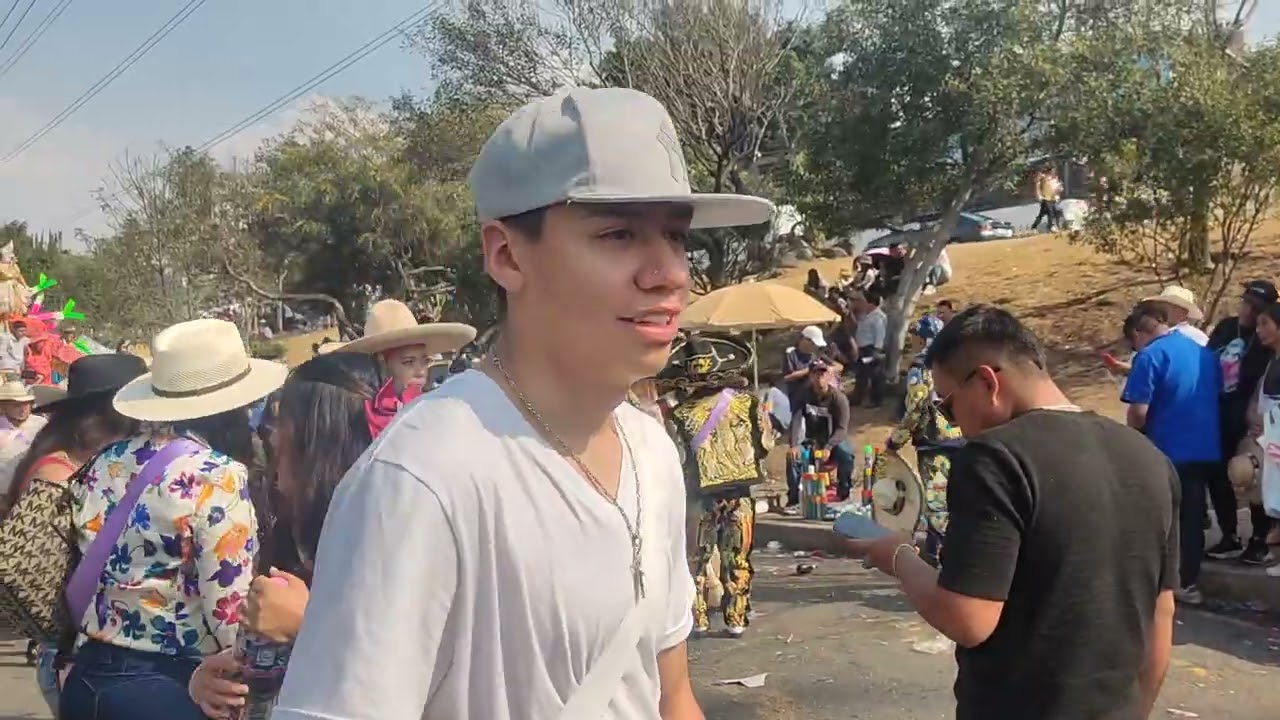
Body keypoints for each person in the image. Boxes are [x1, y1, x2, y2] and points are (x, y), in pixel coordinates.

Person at [270, 86, 772, 720]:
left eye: (675, 238)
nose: (668, 273)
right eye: (618, 234)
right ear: (507, 255)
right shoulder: (422, 481)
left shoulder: (650, 451)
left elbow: (669, 695)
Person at [845, 306, 1178, 720]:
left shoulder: (993, 458)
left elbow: (969, 618)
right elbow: (1161, 611)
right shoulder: (1148, 458)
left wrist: (896, 556)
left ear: (987, 382)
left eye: (948, 408)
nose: (955, 425)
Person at [60, 319, 287, 720]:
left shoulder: (108, 460)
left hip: (87, 679)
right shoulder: (218, 474)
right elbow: (228, 611)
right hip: (169, 686)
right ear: (235, 407)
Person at [187, 352, 386, 718]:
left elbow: (407, 659)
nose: (272, 437)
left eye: (283, 423)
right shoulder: (292, 530)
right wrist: (206, 678)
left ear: (317, 436)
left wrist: (305, 623)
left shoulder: (383, 533)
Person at [5, 354, 146, 717]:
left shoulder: (62, 460)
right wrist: (61, 625)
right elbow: (14, 564)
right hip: (73, 654)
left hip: (72, 651)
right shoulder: (60, 474)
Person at [658, 334, 772, 638]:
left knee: (696, 561)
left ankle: (698, 619)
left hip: (701, 499)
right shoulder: (750, 404)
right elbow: (766, 444)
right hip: (740, 495)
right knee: (738, 558)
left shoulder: (679, 414)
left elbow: (677, 458)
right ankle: (736, 618)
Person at [1120, 303, 1221, 604]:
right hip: (1204, 446)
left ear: (1139, 333)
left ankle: (1162, 582)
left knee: (1162, 518)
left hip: (1166, 449)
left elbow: (1138, 412)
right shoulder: (1204, 353)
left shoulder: (1148, 356)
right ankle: (1188, 582)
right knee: (1192, 515)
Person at [1205, 280, 1278, 564]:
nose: (1248, 311)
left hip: (1254, 418)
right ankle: (1229, 535)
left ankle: (1260, 538)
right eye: (1246, 303)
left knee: (1254, 478)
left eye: (1256, 307)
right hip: (1219, 412)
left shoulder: (1266, 340)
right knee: (1218, 473)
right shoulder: (1226, 328)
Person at [332, 299, 476, 433]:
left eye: (425, 361)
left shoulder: (435, 407)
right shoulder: (352, 414)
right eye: (408, 362)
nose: (421, 372)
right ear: (381, 363)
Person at [875, 359, 962, 554]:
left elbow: (916, 408)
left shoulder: (921, 370)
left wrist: (895, 442)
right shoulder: (956, 363)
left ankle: (936, 556)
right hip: (962, 442)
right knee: (958, 502)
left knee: (938, 505)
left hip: (934, 447)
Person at [787, 360, 855, 506]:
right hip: (811, 440)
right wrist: (793, 444)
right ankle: (793, 500)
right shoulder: (803, 395)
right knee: (793, 457)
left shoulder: (839, 399)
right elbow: (796, 420)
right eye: (816, 374)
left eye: (823, 374)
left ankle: (844, 492)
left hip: (832, 441)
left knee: (846, 454)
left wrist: (828, 447)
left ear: (829, 376)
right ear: (810, 376)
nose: (819, 378)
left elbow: (842, 428)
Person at [0, 380, 45, 506]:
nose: (23, 409)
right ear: (3, 407)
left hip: (30, 496)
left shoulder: (40, 424)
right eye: (16, 405)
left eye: (26, 404)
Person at [851, 291, 888, 407]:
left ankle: (876, 401)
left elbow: (880, 335)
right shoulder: (865, 315)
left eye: (863, 301)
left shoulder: (878, 317)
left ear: (871, 304)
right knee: (861, 374)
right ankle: (857, 398)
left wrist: (877, 351)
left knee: (875, 375)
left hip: (871, 349)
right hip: (862, 349)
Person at [1140, 286, 1209, 346]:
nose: (1160, 309)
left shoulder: (1194, 337)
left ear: (1182, 311)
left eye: (1166, 305)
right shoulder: (1200, 337)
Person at [781, 324, 830, 403]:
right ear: (805, 340)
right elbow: (786, 378)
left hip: (813, 394)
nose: (815, 347)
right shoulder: (791, 354)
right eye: (813, 344)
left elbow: (834, 365)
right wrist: (809, 370)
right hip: (795, 395)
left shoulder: (814, 355)